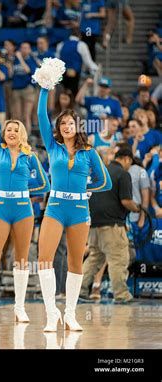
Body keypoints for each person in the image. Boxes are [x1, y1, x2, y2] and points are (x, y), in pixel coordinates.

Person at [37, 87, 112, 332]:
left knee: (75, 263)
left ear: (76, 126)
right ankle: (51, 314)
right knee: (44, 260)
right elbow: (40, 115)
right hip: (55, 207)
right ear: (58, 129)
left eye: (70, 122)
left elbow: (105, 182)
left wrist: (85, 188)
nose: (66, 126)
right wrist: (44, 88)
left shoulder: (89, 152)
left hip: (80, 209)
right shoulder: (53, 147)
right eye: (62, 124)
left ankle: (69, 314)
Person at [0, 94, 49, 324]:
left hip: (24, 209)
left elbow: (45, 184)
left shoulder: (30, 156)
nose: (11, 132)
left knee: (21, 258)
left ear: (22, 134)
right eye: (8, 130)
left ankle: (20, 307)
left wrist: (25, 188)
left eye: (15, 129)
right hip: (1, 208)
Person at [81, 148, 140, 303]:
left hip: (93, 224)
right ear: (126, 159)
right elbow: (126, 201)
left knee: (94, 258)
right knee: (118, 258)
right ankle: (121, 295)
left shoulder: (100, 172)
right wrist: (138, 209)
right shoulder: (123, 174)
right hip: (112, 225)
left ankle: (78, 291)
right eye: (130, 163)